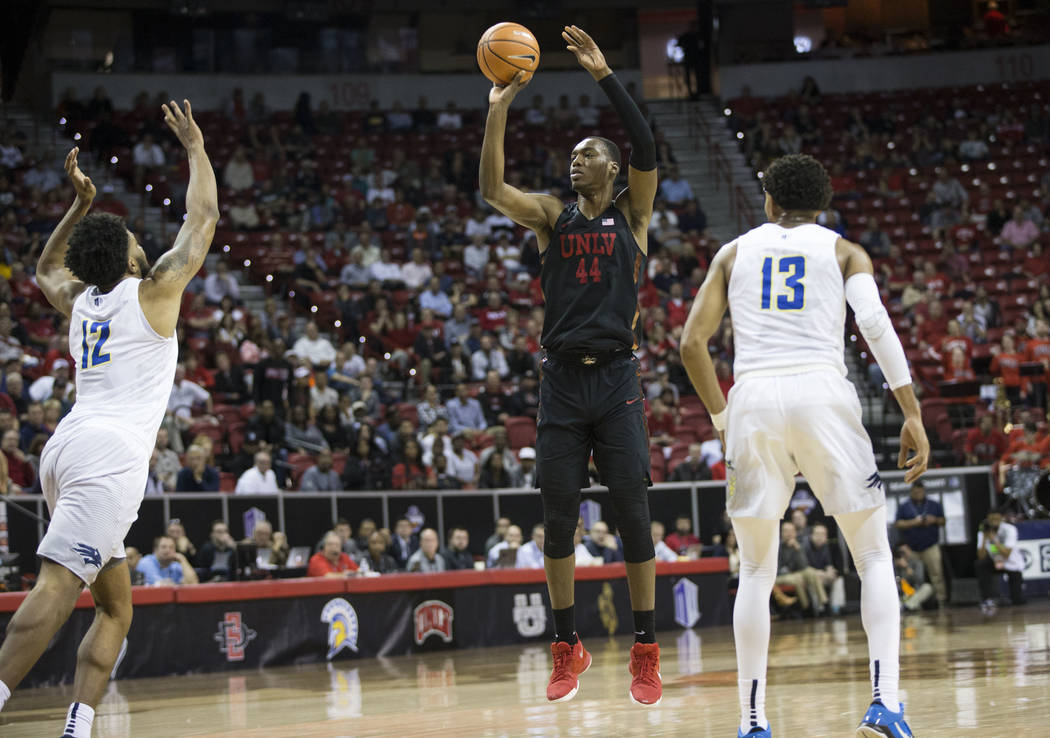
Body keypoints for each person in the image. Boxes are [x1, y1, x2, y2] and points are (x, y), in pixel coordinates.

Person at [679, 153, 929, 737]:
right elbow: (874, 325)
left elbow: (693, 343)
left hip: (755, 400)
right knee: (871, 558)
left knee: (758, 570)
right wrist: (911, 412)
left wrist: (722, 417)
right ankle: (884, 704)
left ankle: (752, 723)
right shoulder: (844, 251)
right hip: (822, 395)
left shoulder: (733, 252)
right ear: (824, 204)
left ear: (768, 201)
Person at [0, 102, 218, 738]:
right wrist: (196, 149)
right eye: (131, 240)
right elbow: (201, 219)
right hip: (109, 455)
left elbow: (45, 269)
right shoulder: (153, 292)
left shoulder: (80, 302)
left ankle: (81, 721)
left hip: (66, 448)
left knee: (116, 608)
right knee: (56, 586)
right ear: (127, 261)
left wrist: (77, 205)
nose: (141, 242)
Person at [480, 24, 661, 706]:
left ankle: (645, 650)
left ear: (611, 169)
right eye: (572, 156)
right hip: (561, 380)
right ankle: (567, 646)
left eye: (586, 156)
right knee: (558, 520)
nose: (573, 163)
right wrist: (499, 106)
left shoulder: (633, 217)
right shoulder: (553, 218)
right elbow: (493, 187)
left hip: (617, 379)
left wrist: (605, 75)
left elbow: (645, 144)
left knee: (634, 519)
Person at [892, 481, 947, 606]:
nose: (918, 494)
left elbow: (943, 521)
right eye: (915, 492)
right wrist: (914, 522)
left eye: (920, 491)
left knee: (937, 574)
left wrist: (934, 520)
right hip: (911, 549)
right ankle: (910, 600)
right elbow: (898, 524)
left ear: (924, 491)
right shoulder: (904, 506)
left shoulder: (933, 505)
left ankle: (941, 600)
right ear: (911, 492)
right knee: (909, 574)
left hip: (930, 546)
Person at [976, 511, 1024, 614]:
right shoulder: (983, 531)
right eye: (991, 520)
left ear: (1001, 519)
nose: (993, 522)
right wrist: (985, 538)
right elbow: (981, 556)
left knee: (1018, 600)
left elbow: (1006, 554)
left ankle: (1016, 603)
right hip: (994, 561)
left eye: (996, 519)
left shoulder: (1009, 529)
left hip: (1011, 563)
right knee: (980, 565)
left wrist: (994, 539)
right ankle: (986, 599)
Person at [894, 545, 934, 612]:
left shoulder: (917, 563)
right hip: (903, 594)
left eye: (904, 552)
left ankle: (907, 607)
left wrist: (907, 568)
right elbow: (897, 583)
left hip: (915, 592)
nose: (903, 555)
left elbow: (920, 581)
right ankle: (907, 606)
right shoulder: (895, 567)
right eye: (900, 553)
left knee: (927, 587)